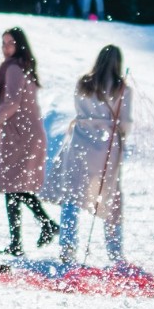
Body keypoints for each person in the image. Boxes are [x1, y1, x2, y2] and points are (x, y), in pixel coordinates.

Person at [46, 44, 132, 265]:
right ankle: (114, 251)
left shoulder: (83, 83)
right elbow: (125, 123)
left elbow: (78, 109)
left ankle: (67, 247)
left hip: (80, 142)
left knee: (72, 196)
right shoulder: (122, 88)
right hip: (106, 148)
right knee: (110, 196)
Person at [0, 27, 57, 256]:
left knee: (12, 187)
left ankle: (43, 227)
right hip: (22, 133)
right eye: (3, 43)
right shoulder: (22, 66)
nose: (6, 48)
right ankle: (26, 237)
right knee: (13, 188)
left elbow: (12, 102)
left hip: (19, 134)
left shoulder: (13, 68)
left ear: (19, 45)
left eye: (10, 43)